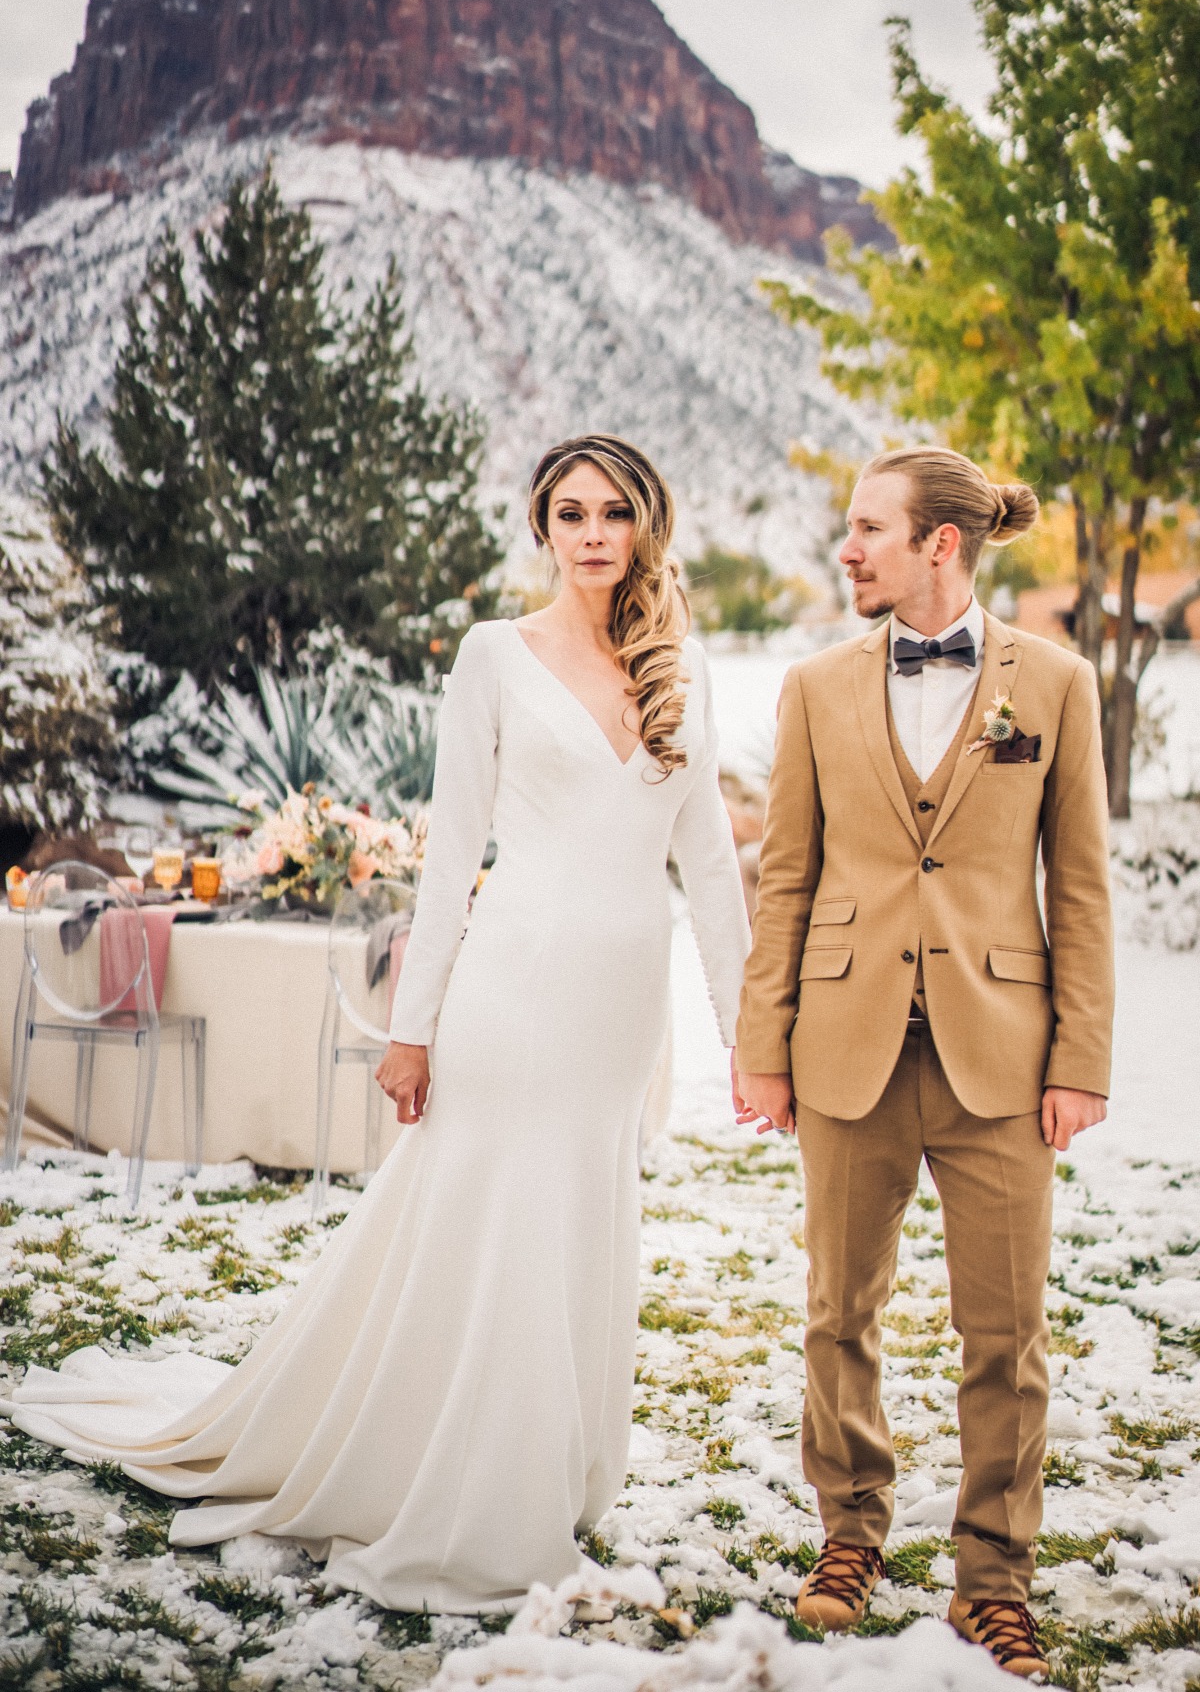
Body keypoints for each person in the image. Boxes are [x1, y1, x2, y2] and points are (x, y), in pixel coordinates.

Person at [3, 435, 750, 1614]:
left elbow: (709, 865)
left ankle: (554, 1465)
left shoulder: (683, 670)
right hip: (516, 989)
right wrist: (414, 1029)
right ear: (542, 530)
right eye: (570, 513)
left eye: (615, 512)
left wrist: (743, 1028)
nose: (594, 532)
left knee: (575, 1223)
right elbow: (451, 859)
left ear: (646, 524)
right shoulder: (496, 657)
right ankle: (469, 1493)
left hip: (621, 1007)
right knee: (497, 1221)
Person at [734, 447, 1114, 1680]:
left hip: (1001, 1057)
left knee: (1005, 1333)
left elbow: (1084, 891)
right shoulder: (810, 687)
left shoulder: (1053, 684)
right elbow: (784, 877)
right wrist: (763, 1045)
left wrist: (1082, 1059)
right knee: (838, 1314)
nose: (846, 549)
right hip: (843, 1048)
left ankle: (992, 1578)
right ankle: (850, 1535)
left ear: (939, 543)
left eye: (867, 530)